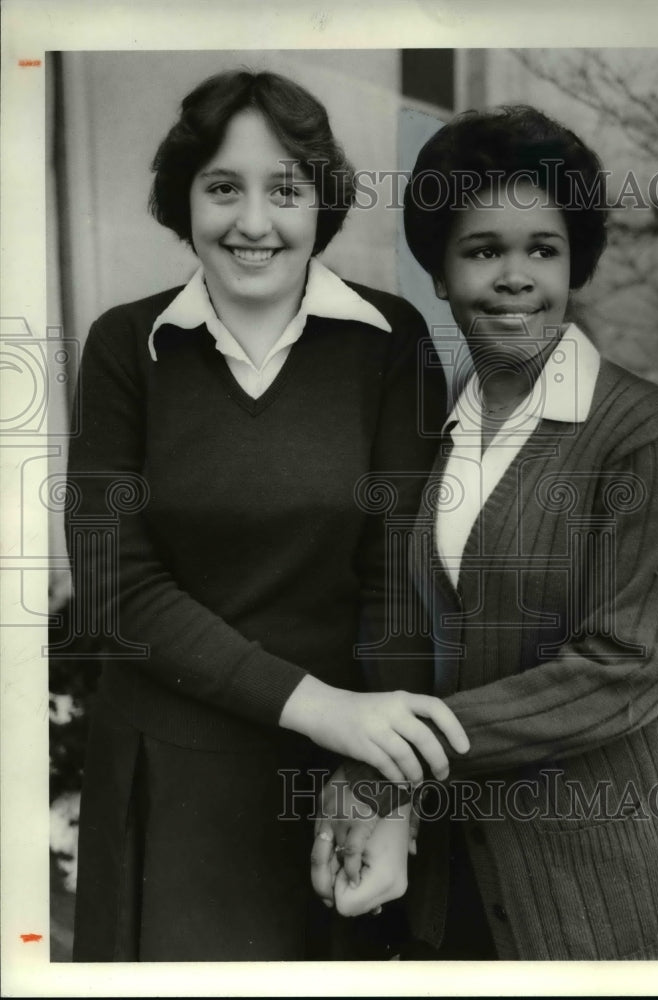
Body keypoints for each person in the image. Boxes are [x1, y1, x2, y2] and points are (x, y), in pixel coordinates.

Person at [66, 69, 470, 963]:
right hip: (170, 778)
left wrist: (381, 790)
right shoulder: (127, 347)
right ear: (183, 200)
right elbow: (115, 586)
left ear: (321, 203)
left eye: (284, 189)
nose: (253, 223)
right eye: (222, 187)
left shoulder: (389, 341)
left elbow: (398, 576)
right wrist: (320, 707)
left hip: (334, 784)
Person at [312, 105, 658, 961]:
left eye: (542, 249)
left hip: (596, 892)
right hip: (455, 882)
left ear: (574, 263)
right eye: (483, 249)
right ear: (440, 269)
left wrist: (397, 761)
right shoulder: (440, 429)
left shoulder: (643, 433)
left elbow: (625, 668)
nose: (514, 276)